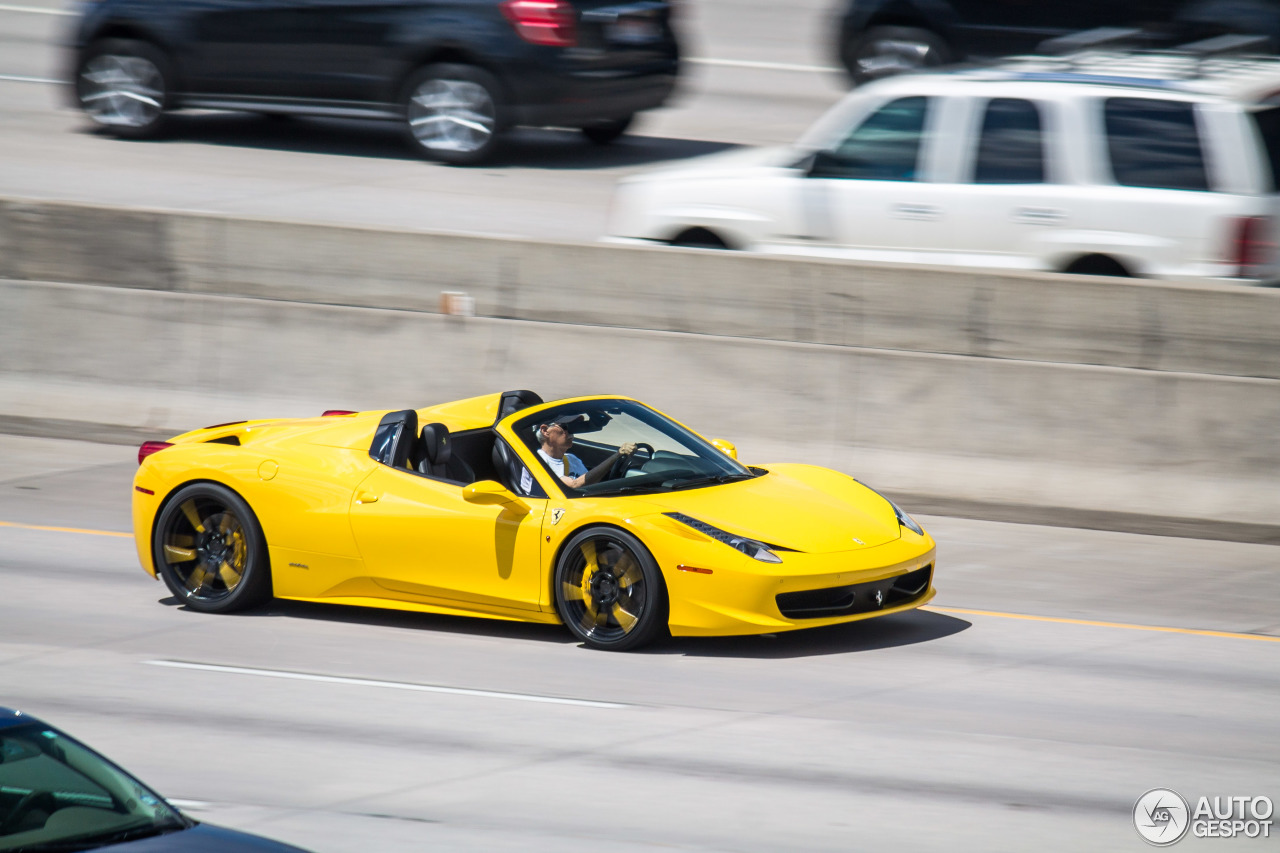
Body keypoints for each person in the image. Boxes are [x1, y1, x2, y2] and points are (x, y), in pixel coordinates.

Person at [535, 413, 637, 488]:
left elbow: (592, 484)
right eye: (566, 427)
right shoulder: (538, 461)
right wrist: (618, 455)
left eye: (573, 428)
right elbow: (574, 485)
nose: (571, 433)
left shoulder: (572, 459)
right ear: (545, 431)